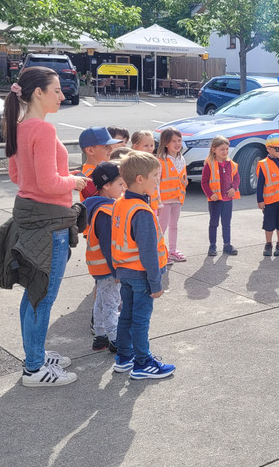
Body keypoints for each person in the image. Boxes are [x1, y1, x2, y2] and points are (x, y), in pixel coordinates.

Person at [3, 66, 89, 386]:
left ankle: (34, 354)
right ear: (38, 93)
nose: (62, 95)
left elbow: (17, 178)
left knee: (34, 292)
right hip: (49, 218)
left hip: (28, 216)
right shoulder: (42, 130)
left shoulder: (18, 126)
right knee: (44, 295)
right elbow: (49, 182)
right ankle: (35, 368)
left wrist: (60, 180)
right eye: (56, 90)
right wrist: (76, 180)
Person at [111, 151, 176, 380]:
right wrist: (155, 281)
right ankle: (142, 363)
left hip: (126, 272)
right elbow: (148, 251)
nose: (158, 179)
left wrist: (117, 270)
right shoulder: (142, 211)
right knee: (140, 319)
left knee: (126, 316)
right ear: (140, 179)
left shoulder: (120, 204)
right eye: (155, 175)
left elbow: (115, 239)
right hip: (141, 274)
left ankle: (124, 357)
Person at [84, 161, 126, 353]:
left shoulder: (98, 207)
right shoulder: (106, 211)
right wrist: (117, 270)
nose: (123, 188)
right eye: (120, 184)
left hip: (99, 266)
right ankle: (115, 339)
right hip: (109, 267)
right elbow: (109, 246)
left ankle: (100, 336)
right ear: (106, 186)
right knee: (111, 303)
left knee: (101, 300)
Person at [201, 135, 240, 256]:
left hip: (228, 199)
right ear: (214, 150)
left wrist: (234, 188)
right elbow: (204, 182)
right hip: (215, 200)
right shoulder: (209, 164)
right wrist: (210, 194)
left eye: (227, 149)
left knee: (226, 222)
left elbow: (237, 178)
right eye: (222, 149)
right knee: (214, 223)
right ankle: (212, 246)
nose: (225, 152)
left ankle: (227, 245)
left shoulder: (232, 164)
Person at [155, 127, 188, 263]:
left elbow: (183, 178)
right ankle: (160, 252)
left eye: (179, 140)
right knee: (162, 227)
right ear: (166, 143)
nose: (177, 144)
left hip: (177, 199)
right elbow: (156, 182)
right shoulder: (160, 161)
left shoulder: (182, 159)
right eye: (173, 141)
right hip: (164, 200)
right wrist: (157, 200)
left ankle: (172, 250)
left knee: (174, 225)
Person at [77, 126, 121, 200]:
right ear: (90, 150)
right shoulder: (89, 176)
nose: (111, 149)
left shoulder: (105, 166)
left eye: (110, 146)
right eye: (106, 146)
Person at [130, 130, 160, 212]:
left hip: (152, 203)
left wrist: (159, 202)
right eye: (146, 146)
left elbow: (157, 184)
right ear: (135, 146)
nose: (150, 148)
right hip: (139, 202)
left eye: (151, 145)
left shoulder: (154, 161)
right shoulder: (132, 163)